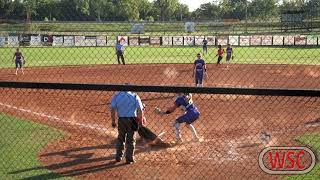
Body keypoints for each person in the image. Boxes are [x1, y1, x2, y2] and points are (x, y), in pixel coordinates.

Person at [110, 90, 143, 164]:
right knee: (131, 140)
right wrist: (140, 120)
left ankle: (118, 157)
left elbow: (112, 108)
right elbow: (140, 109)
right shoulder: (134, 95)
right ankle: (129, 159)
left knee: (120, 138)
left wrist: (113, 121)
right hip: (132, 120)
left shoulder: (117, 96)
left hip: (121, 120)